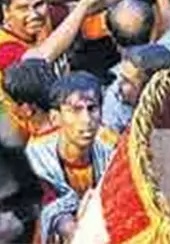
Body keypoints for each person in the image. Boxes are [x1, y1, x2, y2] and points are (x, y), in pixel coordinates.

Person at [25, 72, 118, 243]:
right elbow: (48, 205)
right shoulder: (36, 160)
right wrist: (73, 231)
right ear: (55, 118)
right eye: (75, 110)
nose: (86, 120)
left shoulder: (111, 155)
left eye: (92, 108)